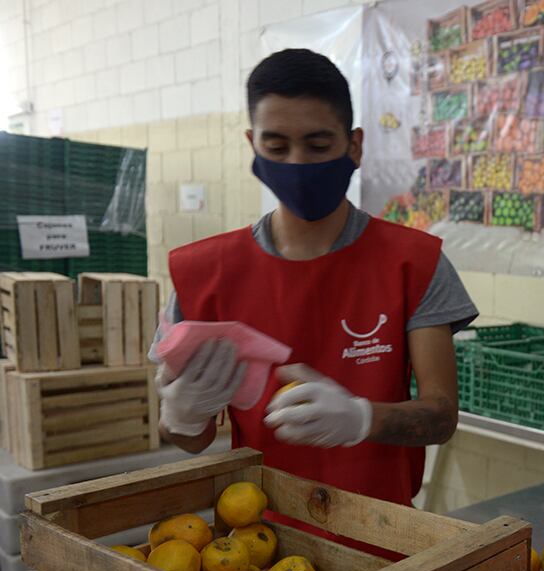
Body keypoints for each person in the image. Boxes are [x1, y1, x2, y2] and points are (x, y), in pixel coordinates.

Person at [153, 49, 477, 518]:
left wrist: (362, 417)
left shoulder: (414, 263)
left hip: (384, 534)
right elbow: (190, 440)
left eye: (318, 145)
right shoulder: (204, 276)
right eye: (277, 147)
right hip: (257, 541)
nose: (298, 163)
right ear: (253, 144)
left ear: (355, 145)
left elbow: (441, 415)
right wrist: (180, 415)